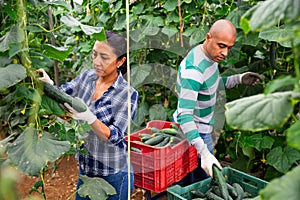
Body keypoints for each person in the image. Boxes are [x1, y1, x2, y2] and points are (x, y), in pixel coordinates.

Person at [38, 31, 139, 200]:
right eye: (94, 55)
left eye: (104, 57)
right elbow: (63, 94)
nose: (97, 62)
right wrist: (48, 84)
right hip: (86, 172)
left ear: (120, 61)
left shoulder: (127, 94)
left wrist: (90, 118)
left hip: (113, 174)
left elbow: (114, 135)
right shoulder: (87, 77)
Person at [172, 19, 263, 184]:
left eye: (229, 47)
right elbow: (184, 116)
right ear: (208, 38)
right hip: (191, 132)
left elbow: (210, 86)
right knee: (201, 182)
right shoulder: (193, 70)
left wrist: (239, 78)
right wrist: (204, 153)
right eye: (221, 46)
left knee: (199, 181)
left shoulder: (208, 56)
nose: (225, 53)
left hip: (202, 129)